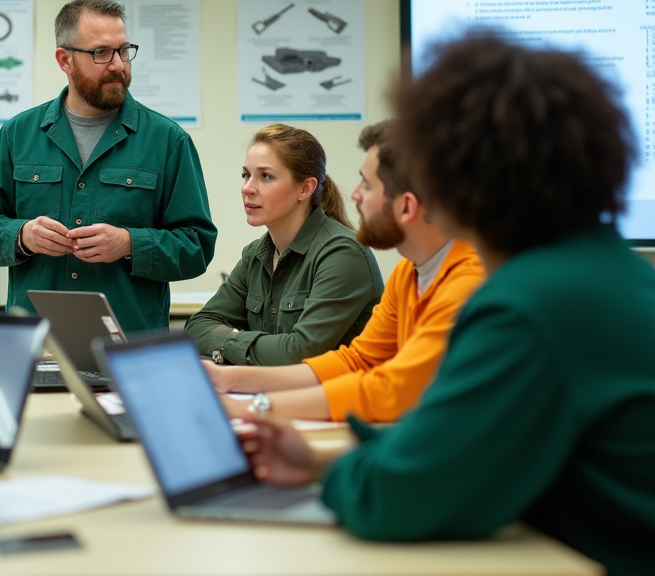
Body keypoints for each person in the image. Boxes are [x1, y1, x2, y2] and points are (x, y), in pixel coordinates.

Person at [236, 34, 655, 576]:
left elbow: (397, 497)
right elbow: (469, 450)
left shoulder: (527, 305)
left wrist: (335, 471)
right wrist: (321, 458)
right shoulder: (603, 270)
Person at [0, 0, 217, 332]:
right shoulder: (18, 135)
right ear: (64, 60)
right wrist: (21, 235)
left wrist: (130, 244)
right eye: (101, 53)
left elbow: (197, 245)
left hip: (129, 346)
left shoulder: (167, 141)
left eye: (124, 51)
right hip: (38, 342)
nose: (118, 65)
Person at [206, 120, 483, 421]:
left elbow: (393, 389)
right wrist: (231, 380)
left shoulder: (468, 284)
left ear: (406, 206)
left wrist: (249, 407)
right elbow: (356, 360)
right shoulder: (408, 272)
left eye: (367, 184)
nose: (354, 195)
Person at [186, 124, 383, 365]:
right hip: (269, 394)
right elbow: (197, 326)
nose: (247, 188)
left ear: (305, 188)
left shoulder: (343, 253)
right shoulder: (255, 255)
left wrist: (229, 342)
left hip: (337, 400)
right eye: (245, 175)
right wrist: (245, 346)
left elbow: (299, 352)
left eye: (265, 176)